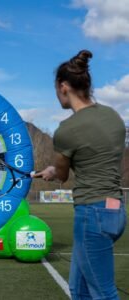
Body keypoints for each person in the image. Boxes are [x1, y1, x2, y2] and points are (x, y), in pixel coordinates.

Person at [33, 50, 127, 299]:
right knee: (79, 288)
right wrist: (57, 168)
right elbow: (95, 155)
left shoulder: (67, 130)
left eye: (56, 89)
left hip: (92, 213)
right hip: (115, 210)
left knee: (103, 292)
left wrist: (52, 172)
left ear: (63, 87)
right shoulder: (113, 116)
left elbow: (62, 174)